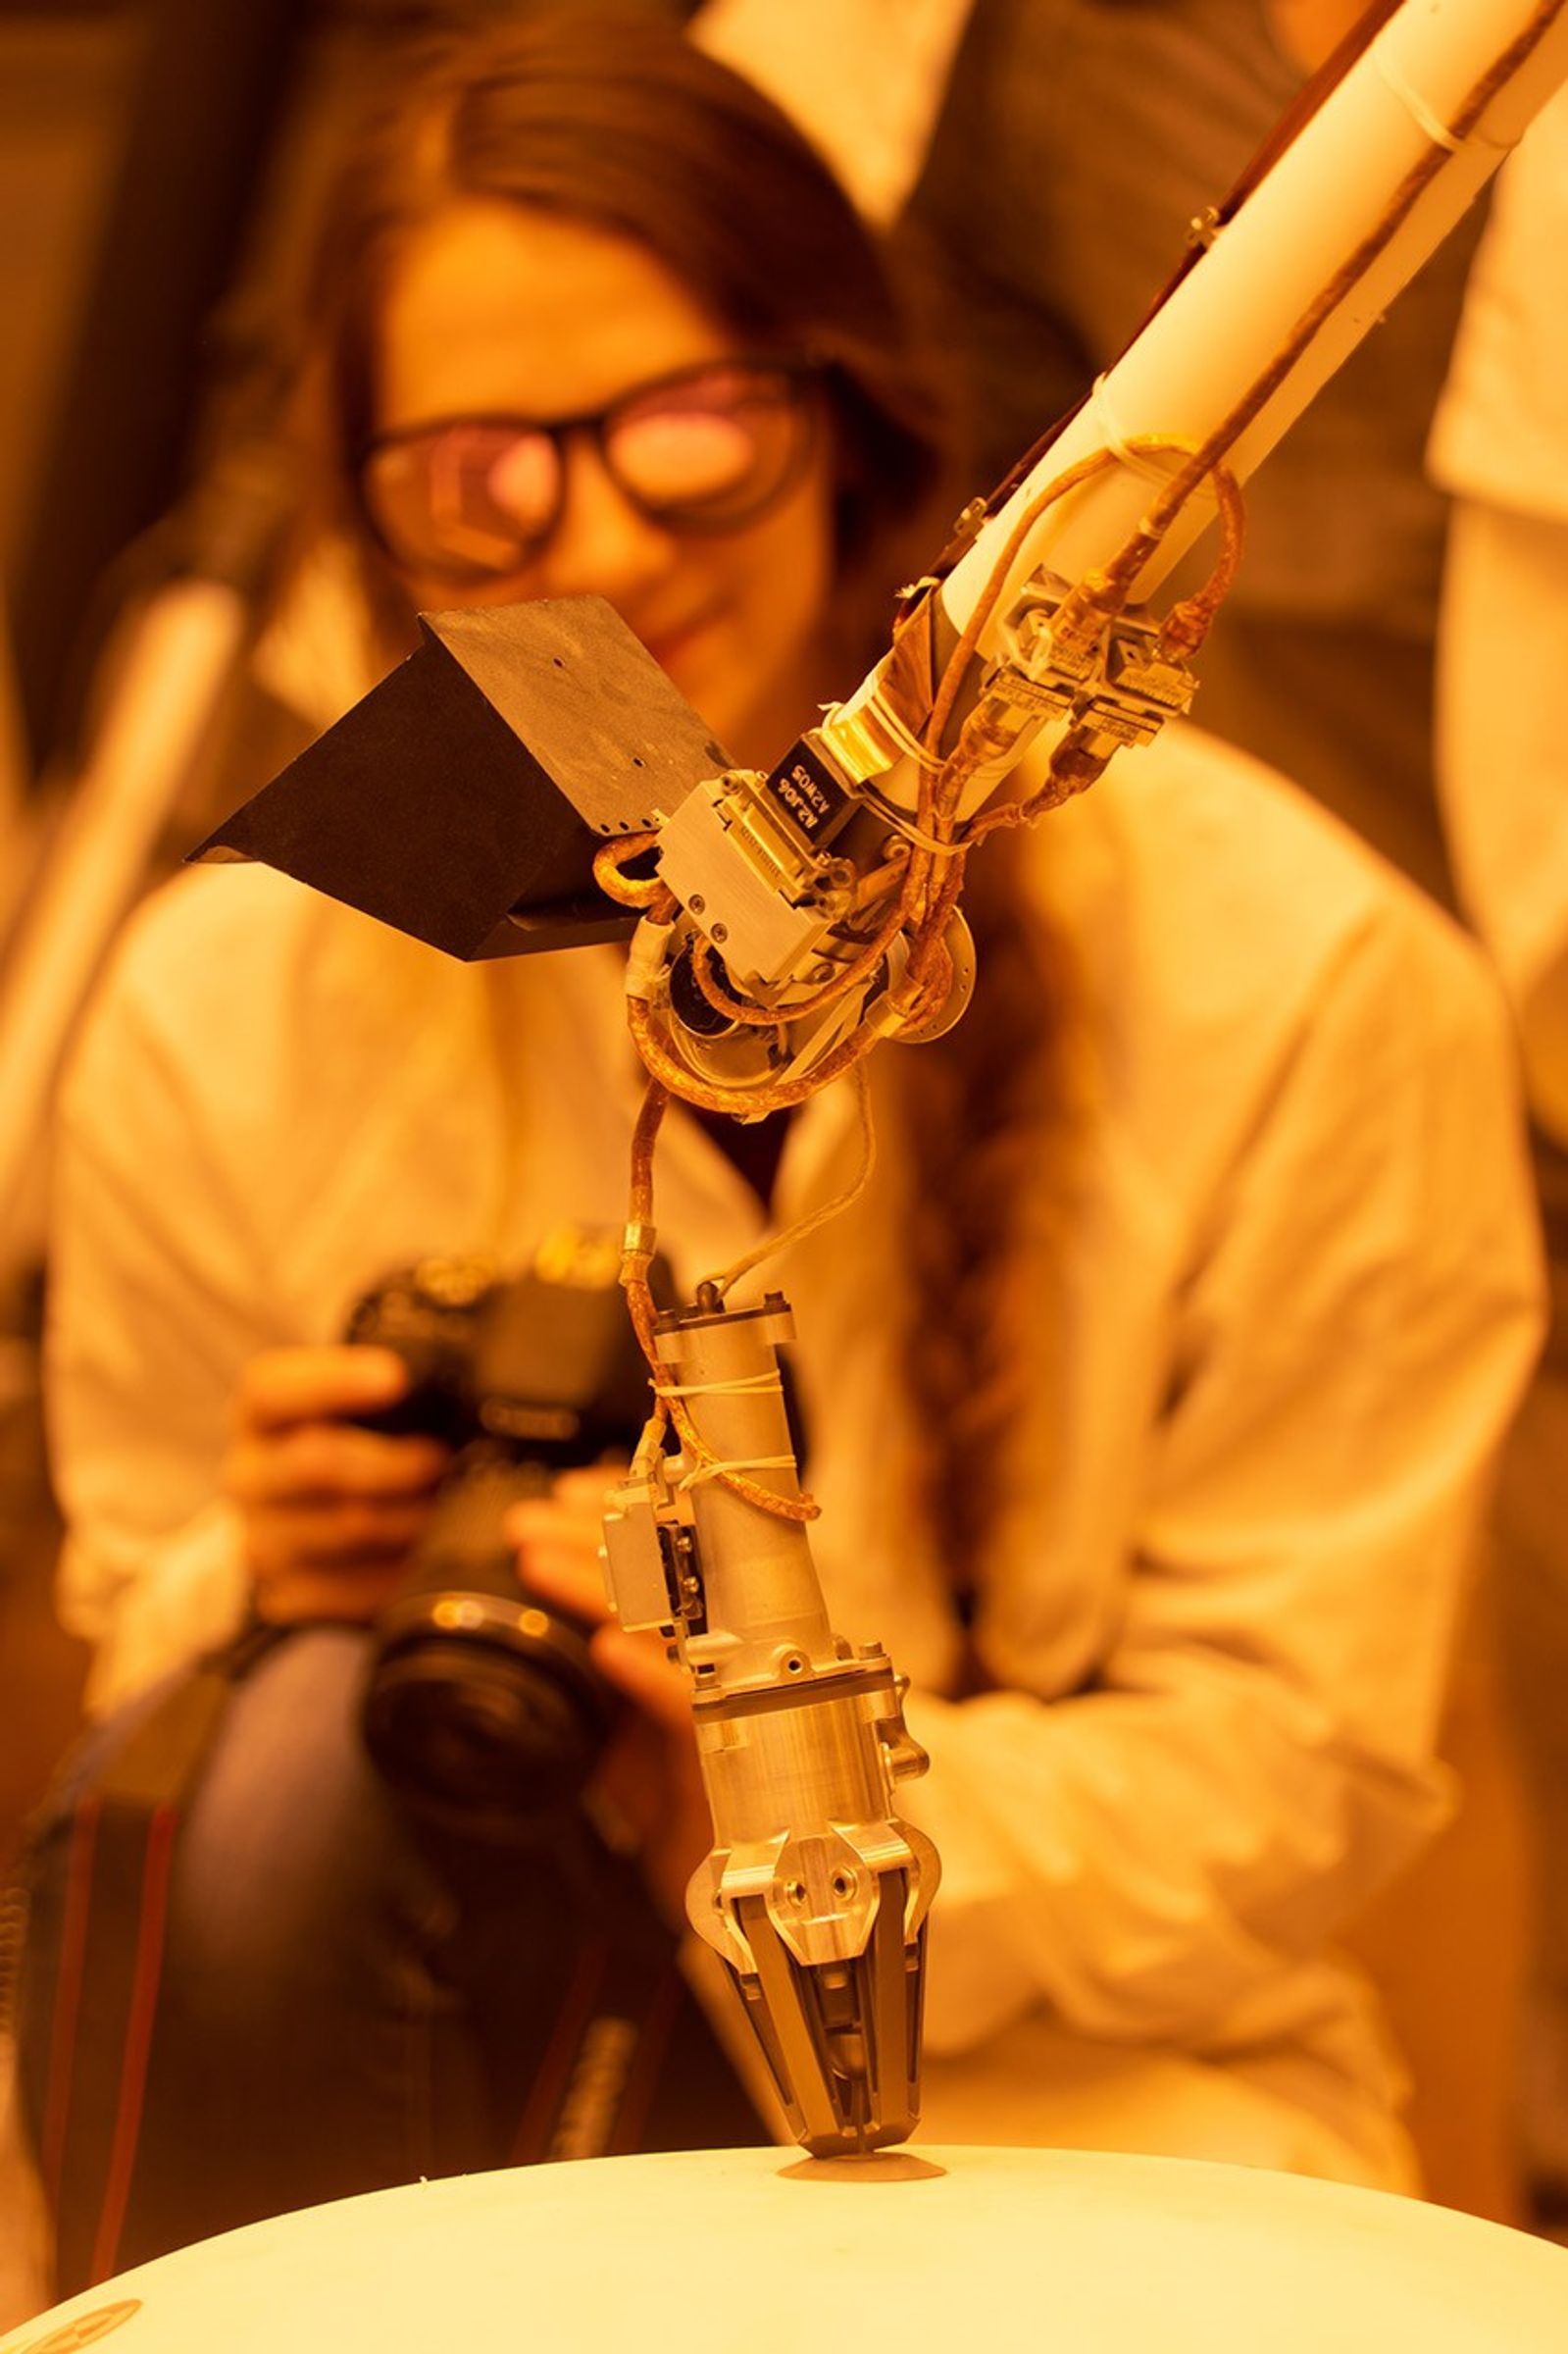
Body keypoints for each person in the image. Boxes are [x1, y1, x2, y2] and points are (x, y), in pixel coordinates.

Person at [12, 5, 1543, 2297]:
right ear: (371, 520)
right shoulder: (236, 992)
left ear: (856, 412)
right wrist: (271, 1571)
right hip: (418, 2046)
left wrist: (763, 1804)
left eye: (690, 427)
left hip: (1076, 2118)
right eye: (485, 477)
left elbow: (1292, 1769)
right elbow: (139, 1620)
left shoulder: (1301, 977)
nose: (606, 536)